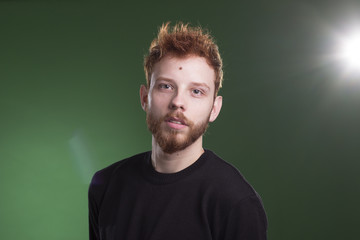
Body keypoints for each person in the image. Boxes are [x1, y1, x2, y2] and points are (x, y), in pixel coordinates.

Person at [88, 22, 268, 240]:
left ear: (214, 108)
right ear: (145, 97)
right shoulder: (106, 186)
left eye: (197, 91)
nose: (178, 102)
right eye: (166, 86)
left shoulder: (235, 203)